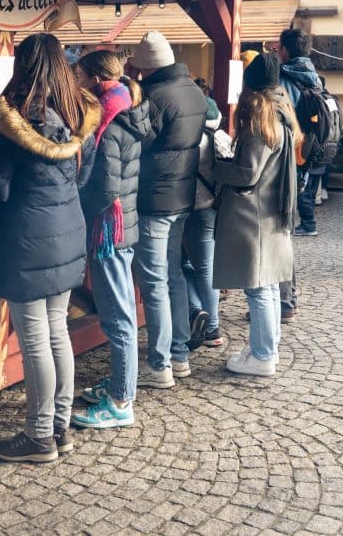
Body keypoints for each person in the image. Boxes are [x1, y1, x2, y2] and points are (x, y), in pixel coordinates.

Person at [0, 33, 99, 462]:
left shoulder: (13, 121)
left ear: (22, 66)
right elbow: (84, 180)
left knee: (34, 339)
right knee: (57, 330)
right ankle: (60, 427)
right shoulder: (78, 114)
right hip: (68, 230)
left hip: (25, 237)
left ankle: (38, 435)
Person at [71, 50, 150, 429]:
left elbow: (104, 186)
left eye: (78, 74)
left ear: (93, 79)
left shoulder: (108, 121)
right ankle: (121, 385)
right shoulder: (124, 110)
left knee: (118, 317)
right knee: (118, 313)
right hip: (121, 227)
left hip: (109, 231)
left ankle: (121, 401)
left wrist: (78, 202)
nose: (74, 81)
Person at [128, 31, 207, 389]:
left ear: (145, 67)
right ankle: (179, 355)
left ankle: (159, 365)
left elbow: (137, 142)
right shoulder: (193, 90)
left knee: (154, 281)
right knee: (173, 275)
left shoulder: (156, 97)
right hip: (183, 196)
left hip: (154, 199)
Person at [213, 53, 299, 376]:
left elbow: (248, 172)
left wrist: (217, 165)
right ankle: (267, 348)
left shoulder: (261, 116)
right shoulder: (283, 109)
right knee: (270, 284)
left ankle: (263, 355)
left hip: (255, 214)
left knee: (259, 286)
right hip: (273, 210)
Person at [184, 93, 227, 350]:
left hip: (190, 208)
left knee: (180, 265)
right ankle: (211, 327)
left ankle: (198, 314)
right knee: (206, 268)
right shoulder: (222, 138)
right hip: (213, 208)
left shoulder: (190, 139)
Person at [277, 28, 324, 237]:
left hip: (288, 140)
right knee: (300, 185)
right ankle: (301, 224)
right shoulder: (315, 77)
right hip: (310, 140)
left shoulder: (281, 76)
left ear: (284, 49)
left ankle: (283, 228)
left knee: (285, 187)